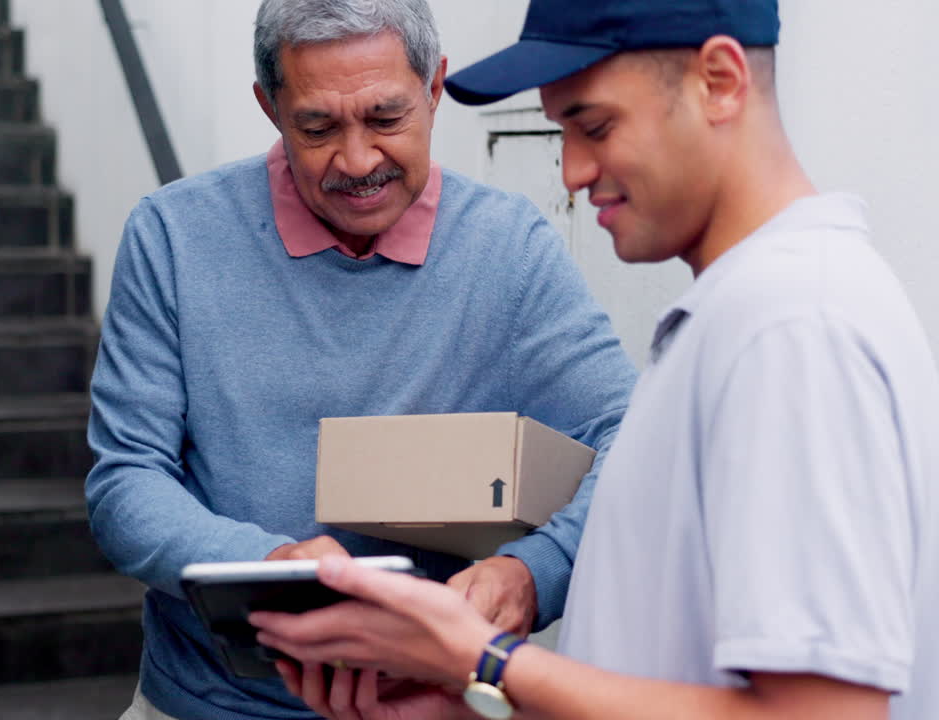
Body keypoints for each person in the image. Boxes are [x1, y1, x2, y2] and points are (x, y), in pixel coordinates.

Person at [247, 1, 939, 719]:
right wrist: (481, 702)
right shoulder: (757, 314)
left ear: (720, 81)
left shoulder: (794, 329)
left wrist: (484, 659)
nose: (573, 171)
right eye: (561, 132)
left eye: (594, 126)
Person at [85, 0, 638, 718]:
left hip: (429, 706)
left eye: (386, 119)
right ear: (270, 107)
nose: (357, 160)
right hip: (204, 704)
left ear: (434, 89)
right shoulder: (173, 235)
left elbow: (632, 438)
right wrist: (269, 568)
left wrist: (534, 572)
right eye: (317, 128)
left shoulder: (509, 250)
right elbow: (126, 481)